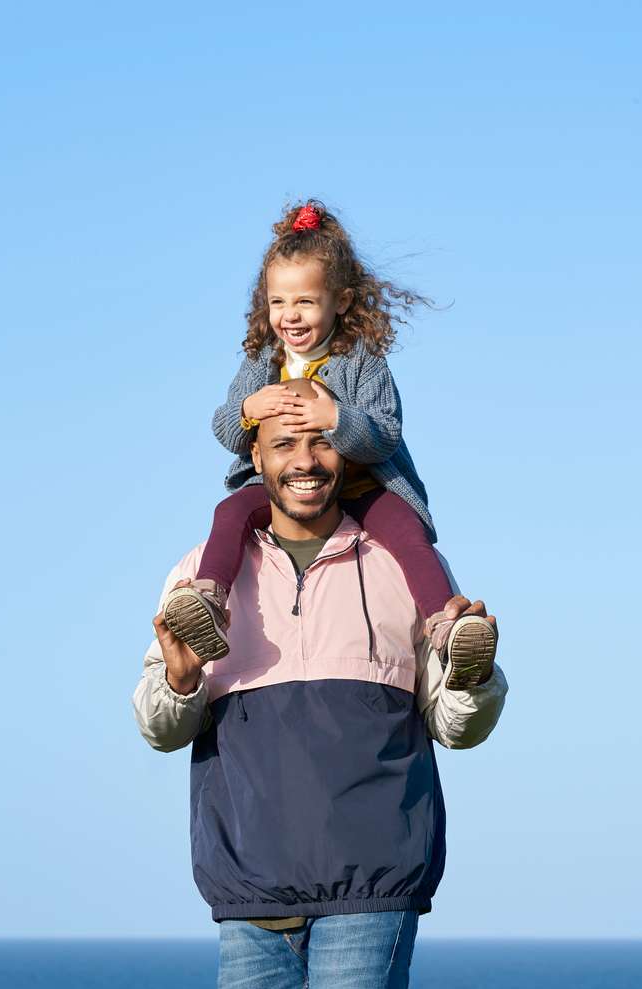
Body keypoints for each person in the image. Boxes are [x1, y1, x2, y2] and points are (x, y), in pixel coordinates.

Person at [132, 380, 509, 989]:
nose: (305, 460)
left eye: (322, 442)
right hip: (249, 892)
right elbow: (159, 727)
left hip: (373, 887)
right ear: (257, 455)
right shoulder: (199, 578)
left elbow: (457, 726)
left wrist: (473, 679)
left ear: (348, 452)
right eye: (284, 444)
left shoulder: (406, 564)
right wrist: (182, 679)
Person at [160, 201, 495, 692]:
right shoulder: (261, 363)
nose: (289, 316)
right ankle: (208, 602)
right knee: (230, 513)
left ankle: (447, 627)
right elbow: (227, 432)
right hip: (281, 487)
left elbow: (385, 434)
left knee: (407, 535)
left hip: (363, 482)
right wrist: (249, 409)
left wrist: (337, 418)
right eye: (278, 303)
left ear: (339, 301)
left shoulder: (362, 362)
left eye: (304, 303)